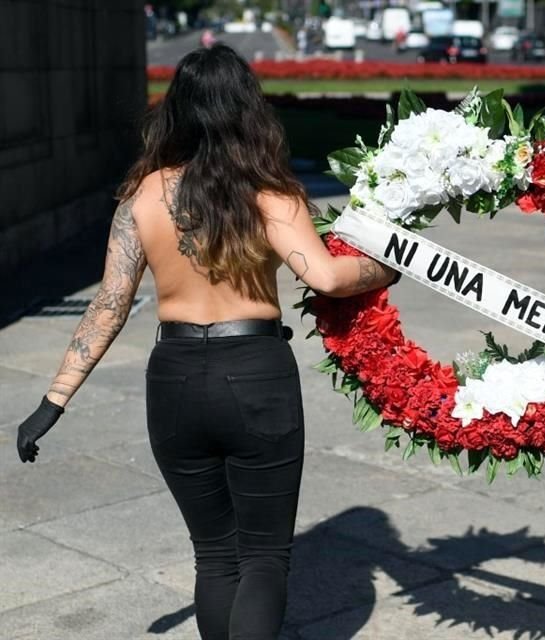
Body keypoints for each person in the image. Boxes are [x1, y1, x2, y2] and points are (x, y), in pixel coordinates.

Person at [15, 44, 395, 640]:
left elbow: (108, 303)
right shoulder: (269, 192)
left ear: (177, 110)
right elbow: (325, 277)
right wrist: (384, 269)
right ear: (248, 107)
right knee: (265, 558)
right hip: (256, 375)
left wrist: (53, 400)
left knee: (215, 554)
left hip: (174, 381)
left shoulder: (141, 196)